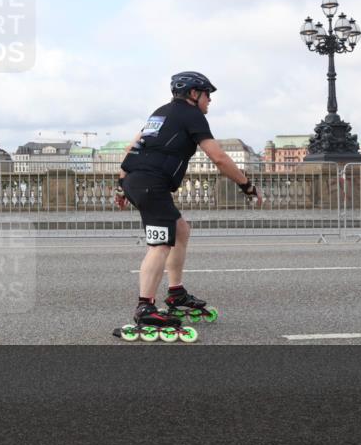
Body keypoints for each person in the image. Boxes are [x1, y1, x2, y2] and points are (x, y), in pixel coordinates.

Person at [113, 71, 263, 332]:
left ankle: (175, 292)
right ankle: (145, 308)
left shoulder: (160, 112)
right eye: (207, 95)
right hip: (151, 184)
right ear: (194, 94)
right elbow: (219, 158)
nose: (210, 101)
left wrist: (121, 185)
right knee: (160, 244)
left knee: (181, 229)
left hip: (136, 180)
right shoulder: (191, 114)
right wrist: (246, 185)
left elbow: (132, 148)